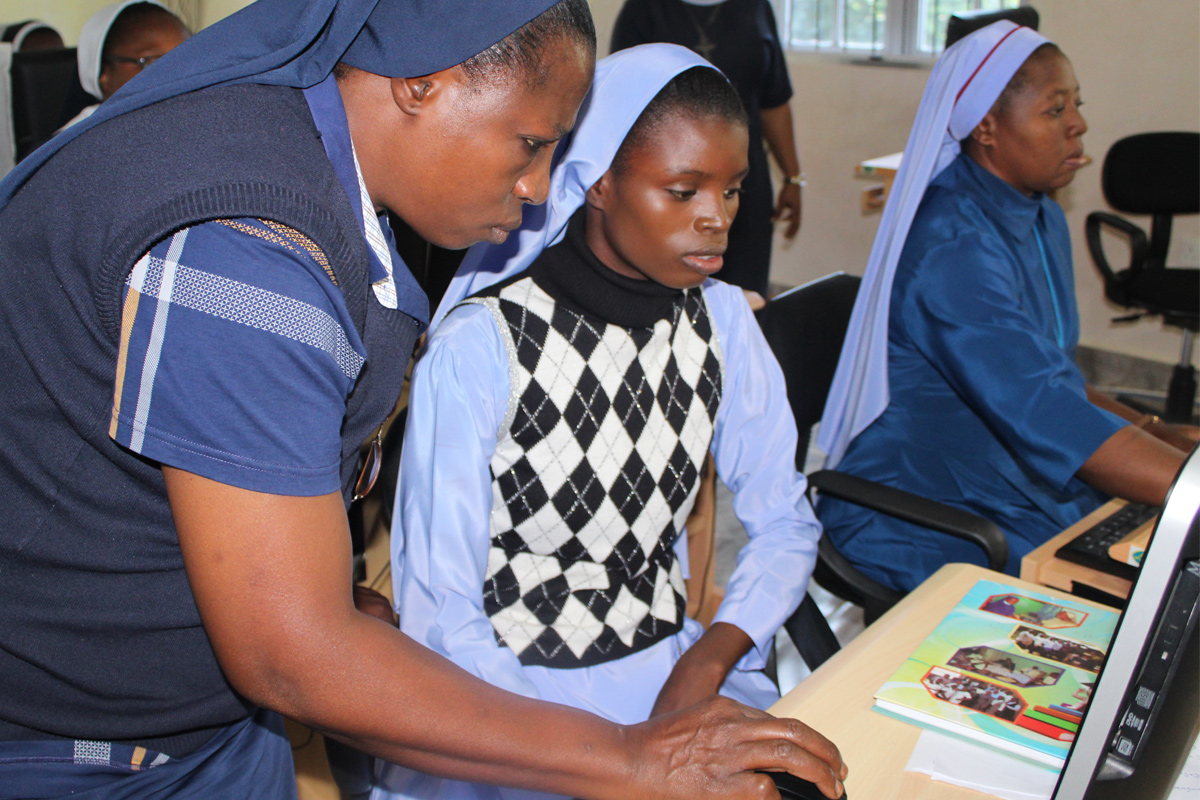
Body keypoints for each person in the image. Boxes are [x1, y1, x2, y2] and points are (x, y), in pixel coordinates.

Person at [0, 1, 846, 798]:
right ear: (420, 84)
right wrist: (627, 758)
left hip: (210, 719)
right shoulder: (246, 245)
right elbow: (291, 656)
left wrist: (315, 586)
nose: (540, 188)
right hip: (92, 751)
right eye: (528, 143)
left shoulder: (308, 169)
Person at [374, 43, 830, 800]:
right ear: (600, 183)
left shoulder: (721, 321)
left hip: (665, 668)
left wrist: (707, 659)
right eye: (683, 191)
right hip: (506, 703)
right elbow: (442, 619)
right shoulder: (485, 345)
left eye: (734, 190)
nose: (717, 219)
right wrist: (609, 757)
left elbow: (785, 521)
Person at [816, 20, 1198, 594]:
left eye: (1078, 104)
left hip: (1001, 472)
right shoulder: (952, 248)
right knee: (1116, 594)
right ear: (988, 128)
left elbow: (1049, 374)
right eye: (1054, 109)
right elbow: (1043, 405)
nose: (1079, 124)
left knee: (1144, 561)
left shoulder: (1038, 212)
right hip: (920, 505)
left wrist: (1156, 431)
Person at [610, 0, 803, 298]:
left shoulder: (757, 7)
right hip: (672, 187)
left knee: (745, 296)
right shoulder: (644, 8)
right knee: (669, 297)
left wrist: (793, 177)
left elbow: (774, 101)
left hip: (743, 183)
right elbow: (622, 101)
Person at [59, 1, 191, 130]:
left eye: (184, 58)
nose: (176, 73)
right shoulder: (73, 146)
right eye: (153, 62)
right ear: (104, 74)